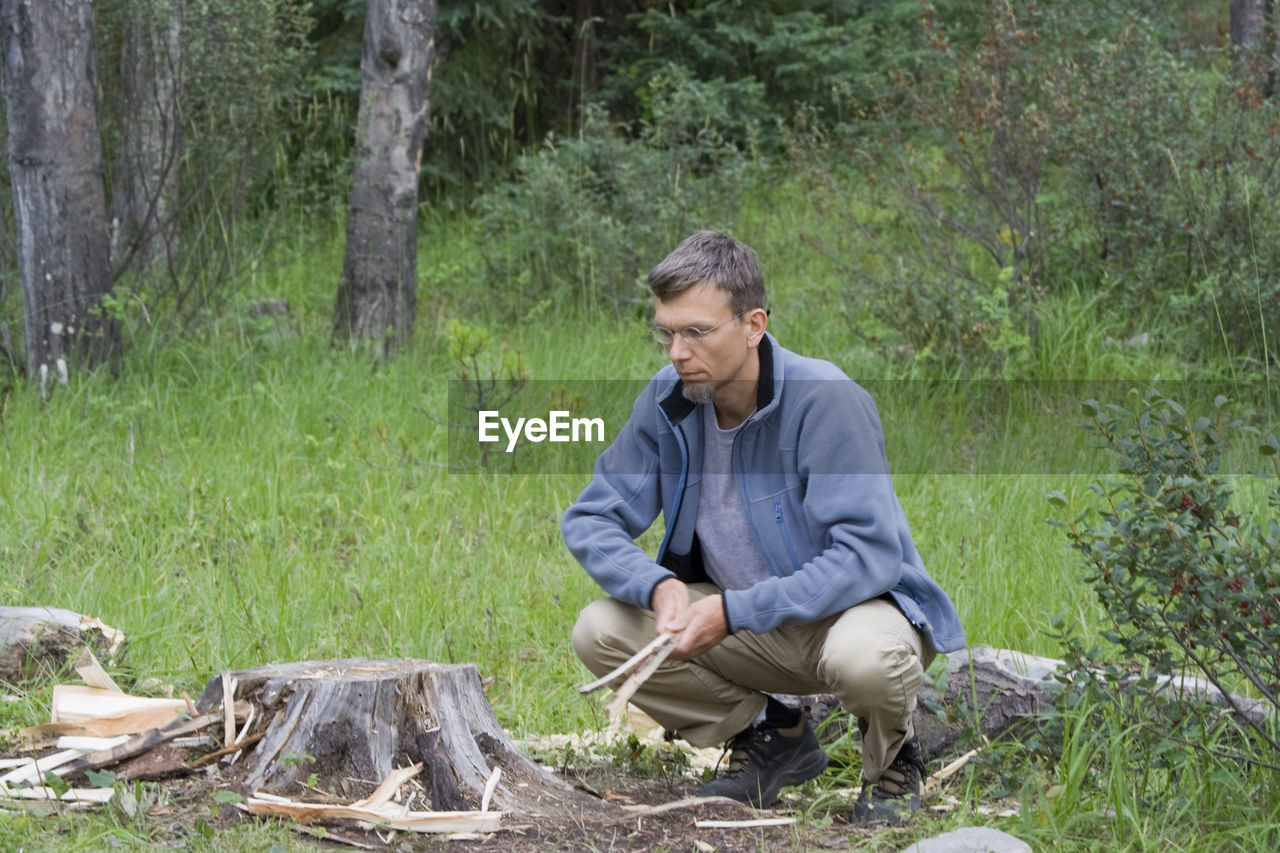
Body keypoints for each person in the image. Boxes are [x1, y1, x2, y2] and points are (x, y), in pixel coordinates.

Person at [563, 230, 965, 824]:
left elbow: (866, 557)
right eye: (666, 332)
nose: (676, 352)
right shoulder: (668, 400)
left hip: (852, 613)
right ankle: (773, 736)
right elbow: (592, 516)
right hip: (746, 625)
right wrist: (656, 586)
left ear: (753, 325)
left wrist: (732, 612)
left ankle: (892, 765)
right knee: (600, 629)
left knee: (868, 657)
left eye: (696, 332)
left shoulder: (824, 399)